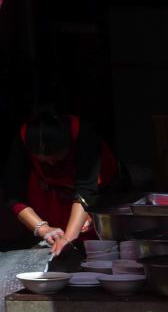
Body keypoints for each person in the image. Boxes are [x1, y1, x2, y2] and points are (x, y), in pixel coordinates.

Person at [2, 108, 122, 257]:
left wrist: (68, 238)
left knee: (96, 252)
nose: (51, 164)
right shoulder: (23, 140)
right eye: (43, 161)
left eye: (57, 158)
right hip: (52, 200)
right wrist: (43, 229)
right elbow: (13, 194)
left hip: (98, 199)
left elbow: (85, 191)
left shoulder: (83, 136)